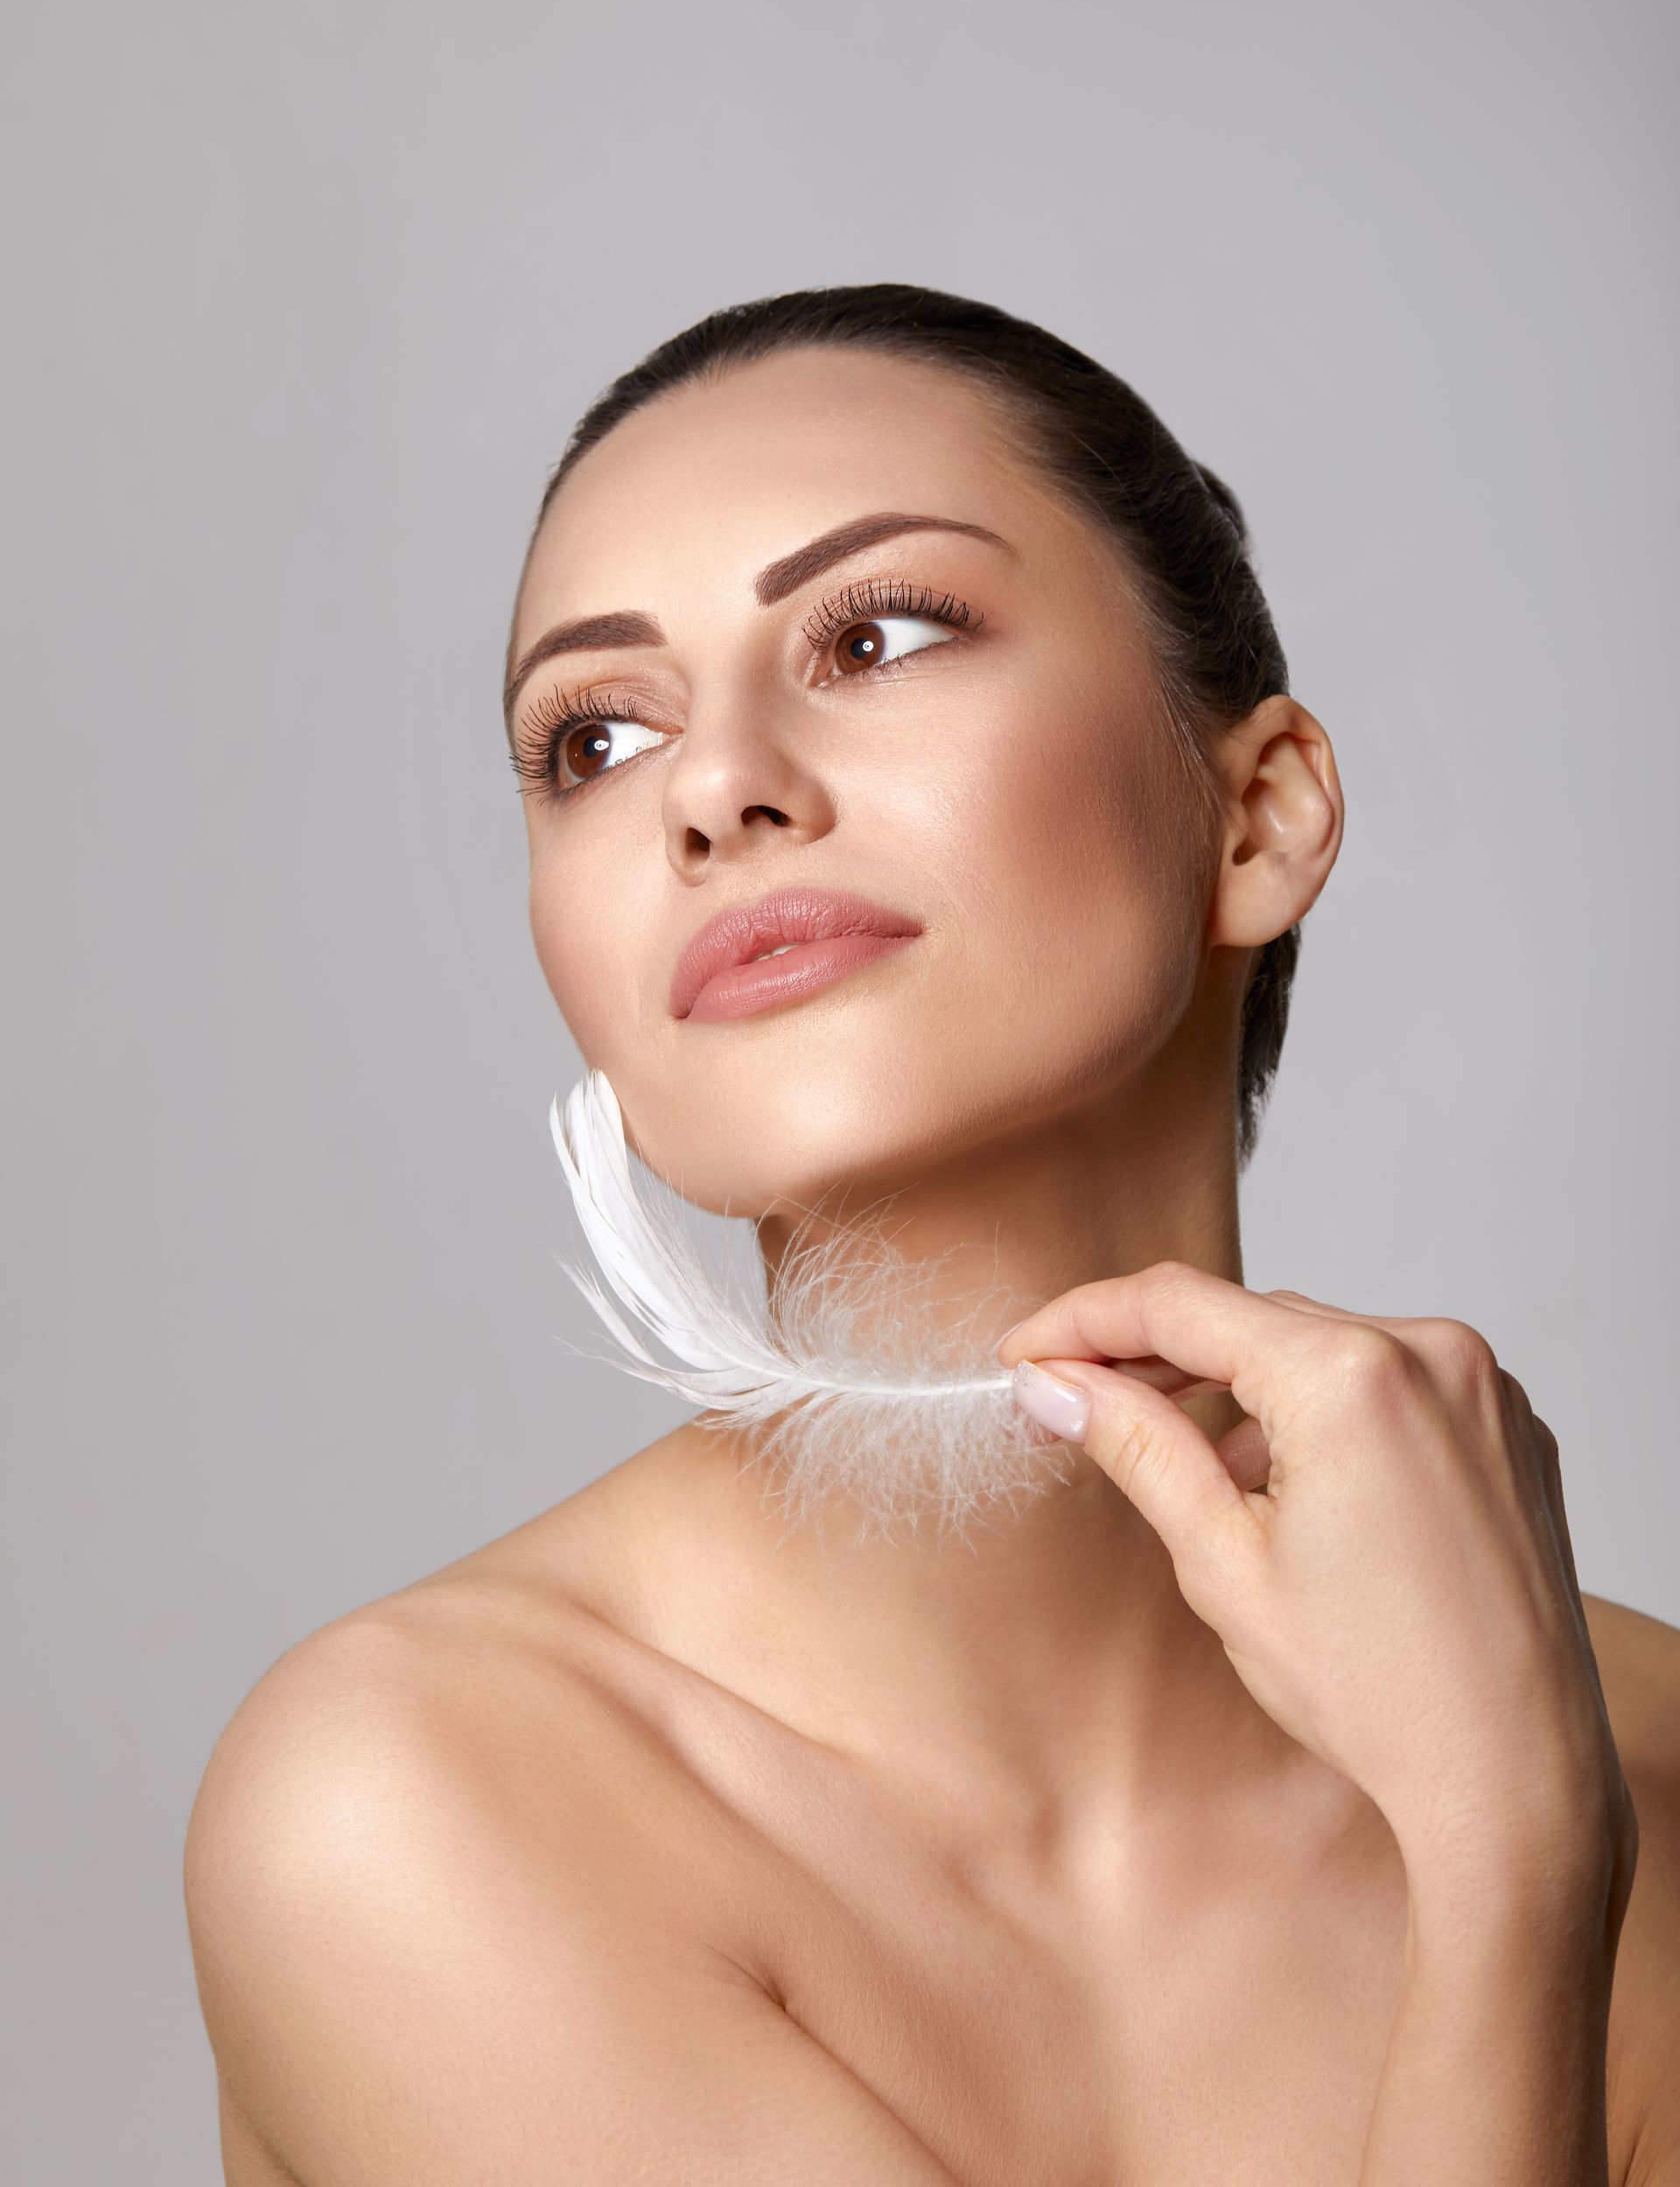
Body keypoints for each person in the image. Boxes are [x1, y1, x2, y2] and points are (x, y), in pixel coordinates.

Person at [185, 284, 1680, 2185]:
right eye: (594, 738)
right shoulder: (410, 1807)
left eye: (876, 633)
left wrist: (1529, 1822)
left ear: (1260, 814)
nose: (715, 790)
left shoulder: (1642, 1751)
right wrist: (1508, 1875)